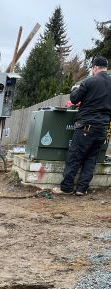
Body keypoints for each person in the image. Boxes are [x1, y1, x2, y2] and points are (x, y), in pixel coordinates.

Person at [53, 56, 111, 195]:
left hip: (86, 125)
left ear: (95, 68)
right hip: (102, 127)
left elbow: (74, 98)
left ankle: (66, 188)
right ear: (106, 68)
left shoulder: (89, 81)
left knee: (75, 156)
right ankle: (81, 189)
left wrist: (76, 89)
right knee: (91, 158)